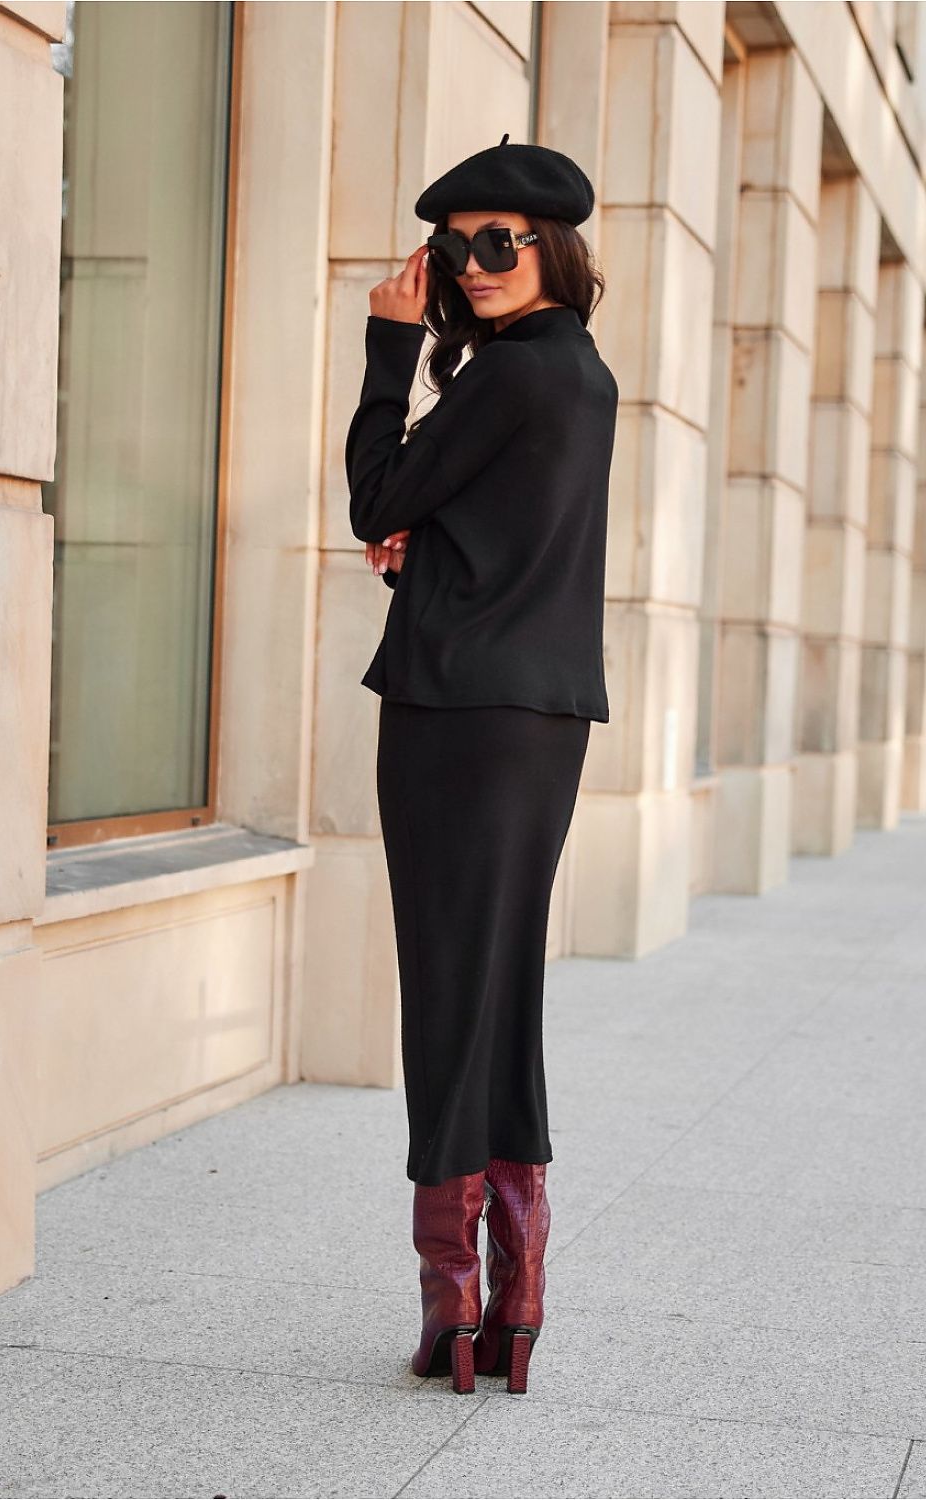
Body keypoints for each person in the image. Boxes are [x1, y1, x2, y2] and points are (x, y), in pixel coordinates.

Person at [344, 135, 619, 1396]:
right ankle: (513, 1296)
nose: (472, 264)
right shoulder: (580, 375)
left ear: (550, 248)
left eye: (497, 241)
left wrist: (388, 350)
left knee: (448, 995)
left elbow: (373, 491)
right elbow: (479, 524)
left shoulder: (508, 376)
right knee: (498, 992)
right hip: (539, 718)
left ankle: (453, 1299)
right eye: (452, 249)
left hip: (457, 714)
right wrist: (427, 538)